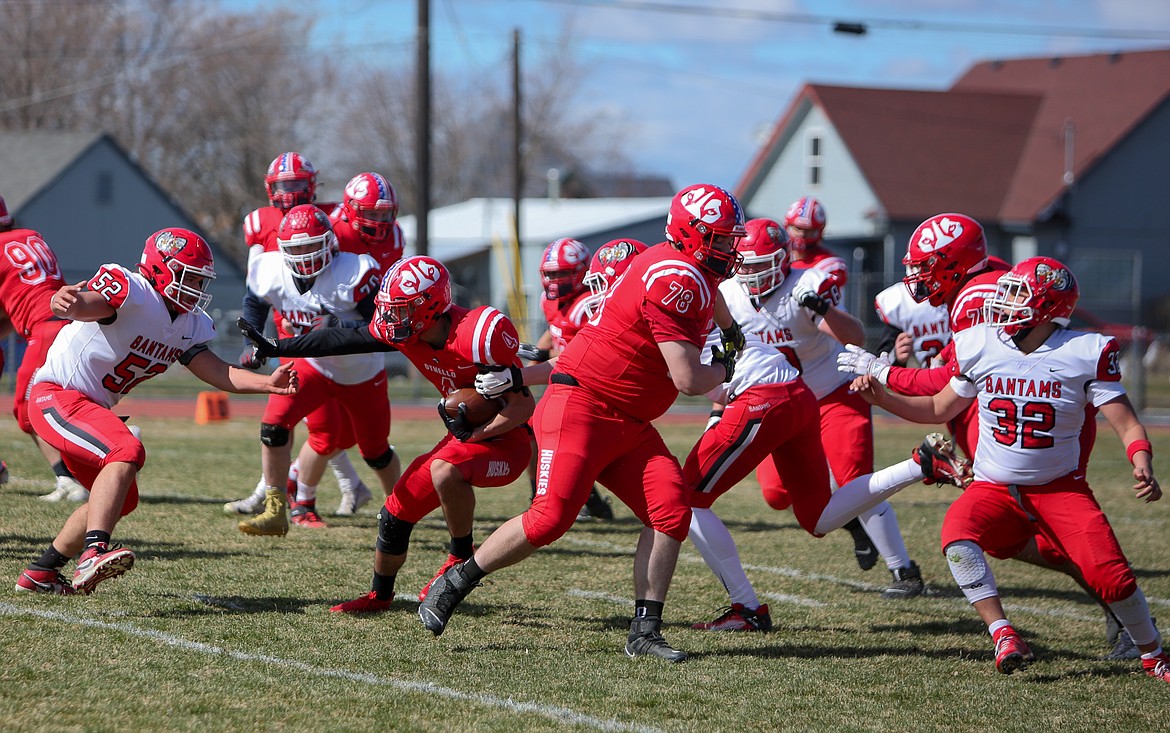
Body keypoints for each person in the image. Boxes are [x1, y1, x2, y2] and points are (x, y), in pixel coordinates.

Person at [417, 183, 750, 662]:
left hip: (629, 421)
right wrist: (727, 365)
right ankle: (457, 579)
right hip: (584, 408)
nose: (729, 248)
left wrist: (732, 333)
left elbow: (711, 293)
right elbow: (689, 379)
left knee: (671, 510)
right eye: (719, 238)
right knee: (550, 518)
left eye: (729, 238)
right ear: (690, 235)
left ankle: (645, 631)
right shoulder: (674, 277)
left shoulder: (687, 267)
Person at [851, 257, 1170, 683]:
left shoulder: (1085, 350)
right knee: (957, 539)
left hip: (1060, 488)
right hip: (993, 485)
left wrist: (1141, 458)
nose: (1003, 302)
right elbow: (938, 407)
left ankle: (1154, 654)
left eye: (1017, 293)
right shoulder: (980, 342)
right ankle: (1003, 633)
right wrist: (882, 398)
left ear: (1047, 305)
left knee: (1111, 578)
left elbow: (1126, 420)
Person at [240, 254, 535, 611]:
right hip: (463, 437)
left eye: (401, 309)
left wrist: (477, 433)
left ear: (429, 308)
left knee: (446, 469)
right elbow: (341, 340)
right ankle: (380, 596)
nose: (391, 319)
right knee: (395, 512)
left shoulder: (477, 335)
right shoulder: (408, 333)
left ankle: (460, 557)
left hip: (507, 440)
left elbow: (522, 408)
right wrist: (278, 347)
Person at [14, 228, 297, 595]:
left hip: (90, 408)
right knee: (126, 451)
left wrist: (267, 383)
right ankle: (92, 554)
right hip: (58, 396)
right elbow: (88, 305)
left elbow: (215, 369)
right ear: (161, 268)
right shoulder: (132, 290)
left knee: (121, 499)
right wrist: (66, 303)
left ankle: (41, 572)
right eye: (189, 275)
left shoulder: (189, 323)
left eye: (200, 279)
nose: (195, 286)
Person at [722, 216, 927, 598]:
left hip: (833, 391)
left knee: (854, 478)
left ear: (781, 260)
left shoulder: (807, 282)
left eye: (757, 265)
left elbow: (854, 336)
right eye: (743, 264)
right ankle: (853, 523)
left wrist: (821, 310)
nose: (748, 273)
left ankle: (905, 571)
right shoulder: (730, 293)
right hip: (778, 399)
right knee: (775, 495)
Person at [236, 205, 398, 536]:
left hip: (361, 371)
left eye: (312, 246)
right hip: (314, 367)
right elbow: (254, 303)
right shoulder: (268, 269)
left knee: (375, 451)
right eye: (296, 249)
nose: (305, 256)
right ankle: (276, 509)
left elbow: (379, 331)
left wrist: (337, 328)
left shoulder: (356, 270)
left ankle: (400, 509)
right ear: (281, 248)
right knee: (274, 426)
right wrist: (251, 344)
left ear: (330, 243)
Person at [227, 154, 373, 518]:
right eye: (282, 186)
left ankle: (320, 487)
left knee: (334, 426)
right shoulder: (259, 224)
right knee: (297, 417)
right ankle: (291, 492)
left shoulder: (337, 217)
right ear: (268, 188)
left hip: (331, 327)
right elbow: (256, 287)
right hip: (288, 326)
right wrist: (255, 338)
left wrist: (338, 319)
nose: (290, 193)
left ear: (312, 185)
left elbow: (345, 268)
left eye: (296, 184)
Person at [0, 194, 89, 502]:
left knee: (27, 411)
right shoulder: (31, 236)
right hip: (68, 321)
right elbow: (16, 305)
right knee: (63, 402)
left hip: (46, 330)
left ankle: (70, 479)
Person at [529, 236, 615, 521]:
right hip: (562, 379)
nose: (555, 281)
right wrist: (533, 357)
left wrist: (528, 373)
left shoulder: (590, 305)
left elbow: (582, 351)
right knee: (533, 430)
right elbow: (554, 333)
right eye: (550, 274)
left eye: (563, 273)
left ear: (582, 272)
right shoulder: (549, 301)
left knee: (580, 448)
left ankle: (578, 498)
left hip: (589, 383)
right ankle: (549, 496)